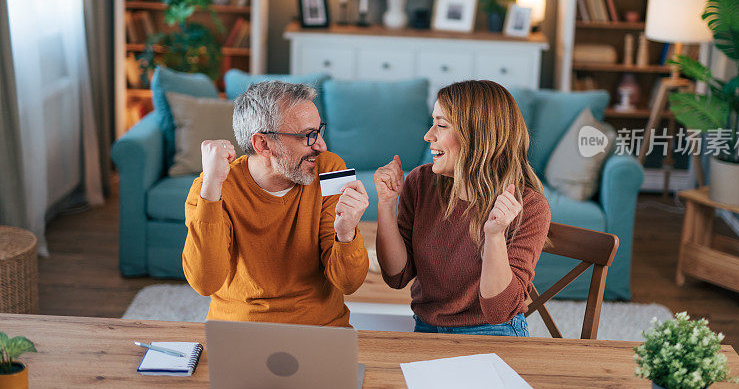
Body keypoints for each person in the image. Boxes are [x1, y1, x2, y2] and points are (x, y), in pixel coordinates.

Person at [182, 81, 370, 327]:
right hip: (239, 330)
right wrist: (211, 188)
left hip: (321, 330)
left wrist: (346, 234)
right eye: (308, 136)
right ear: (263, 144)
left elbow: (348, 284)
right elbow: (204, 283)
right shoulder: (213, 188)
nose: (321, 145)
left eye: (319, 131)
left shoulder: (328, 169)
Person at [374, 80, 551, 336]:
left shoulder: (530, 206)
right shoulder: (421, 183)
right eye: (432, 122)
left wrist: (494, 235)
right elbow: (396, 277)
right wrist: (387, 204)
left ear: (477, 136)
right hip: (426, 327)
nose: (428, 136)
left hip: (493, 330)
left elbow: (499, 310)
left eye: (441, 125)